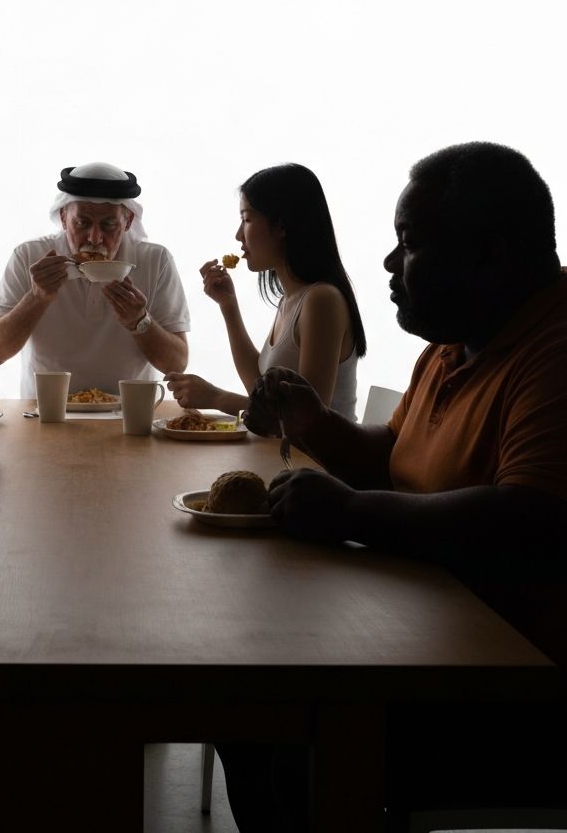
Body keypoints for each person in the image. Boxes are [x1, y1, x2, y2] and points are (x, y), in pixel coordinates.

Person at [230, 142, 567, 830]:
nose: (388, 265)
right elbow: (393, 457)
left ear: (491, 255)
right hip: (425, 641)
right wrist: (315, 424)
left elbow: (531, 519)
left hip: (518, 692)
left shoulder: (555, 353)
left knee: (291, 743)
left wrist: (351, 510)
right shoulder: (452, 345)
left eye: (409, 243)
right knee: (243, 709)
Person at [165, 163, 366, 421]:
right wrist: (229, 306)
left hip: (323, 461)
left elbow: (308, 419)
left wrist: (216, 398)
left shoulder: (322, 300)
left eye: (247, 219)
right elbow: (259, 392)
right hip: (285, 456)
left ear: (282, 226)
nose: (239, 235)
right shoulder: (291, 299)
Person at [0, 161, 190, 396]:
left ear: (128, 222)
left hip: (129, 416)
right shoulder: (29, 256)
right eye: (82, 223)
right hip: (47, 415)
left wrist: (140, 321)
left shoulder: (155, 260)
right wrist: (36, 297)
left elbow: (177, 365)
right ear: (63, 218)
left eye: (109, 225)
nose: (94, 238)